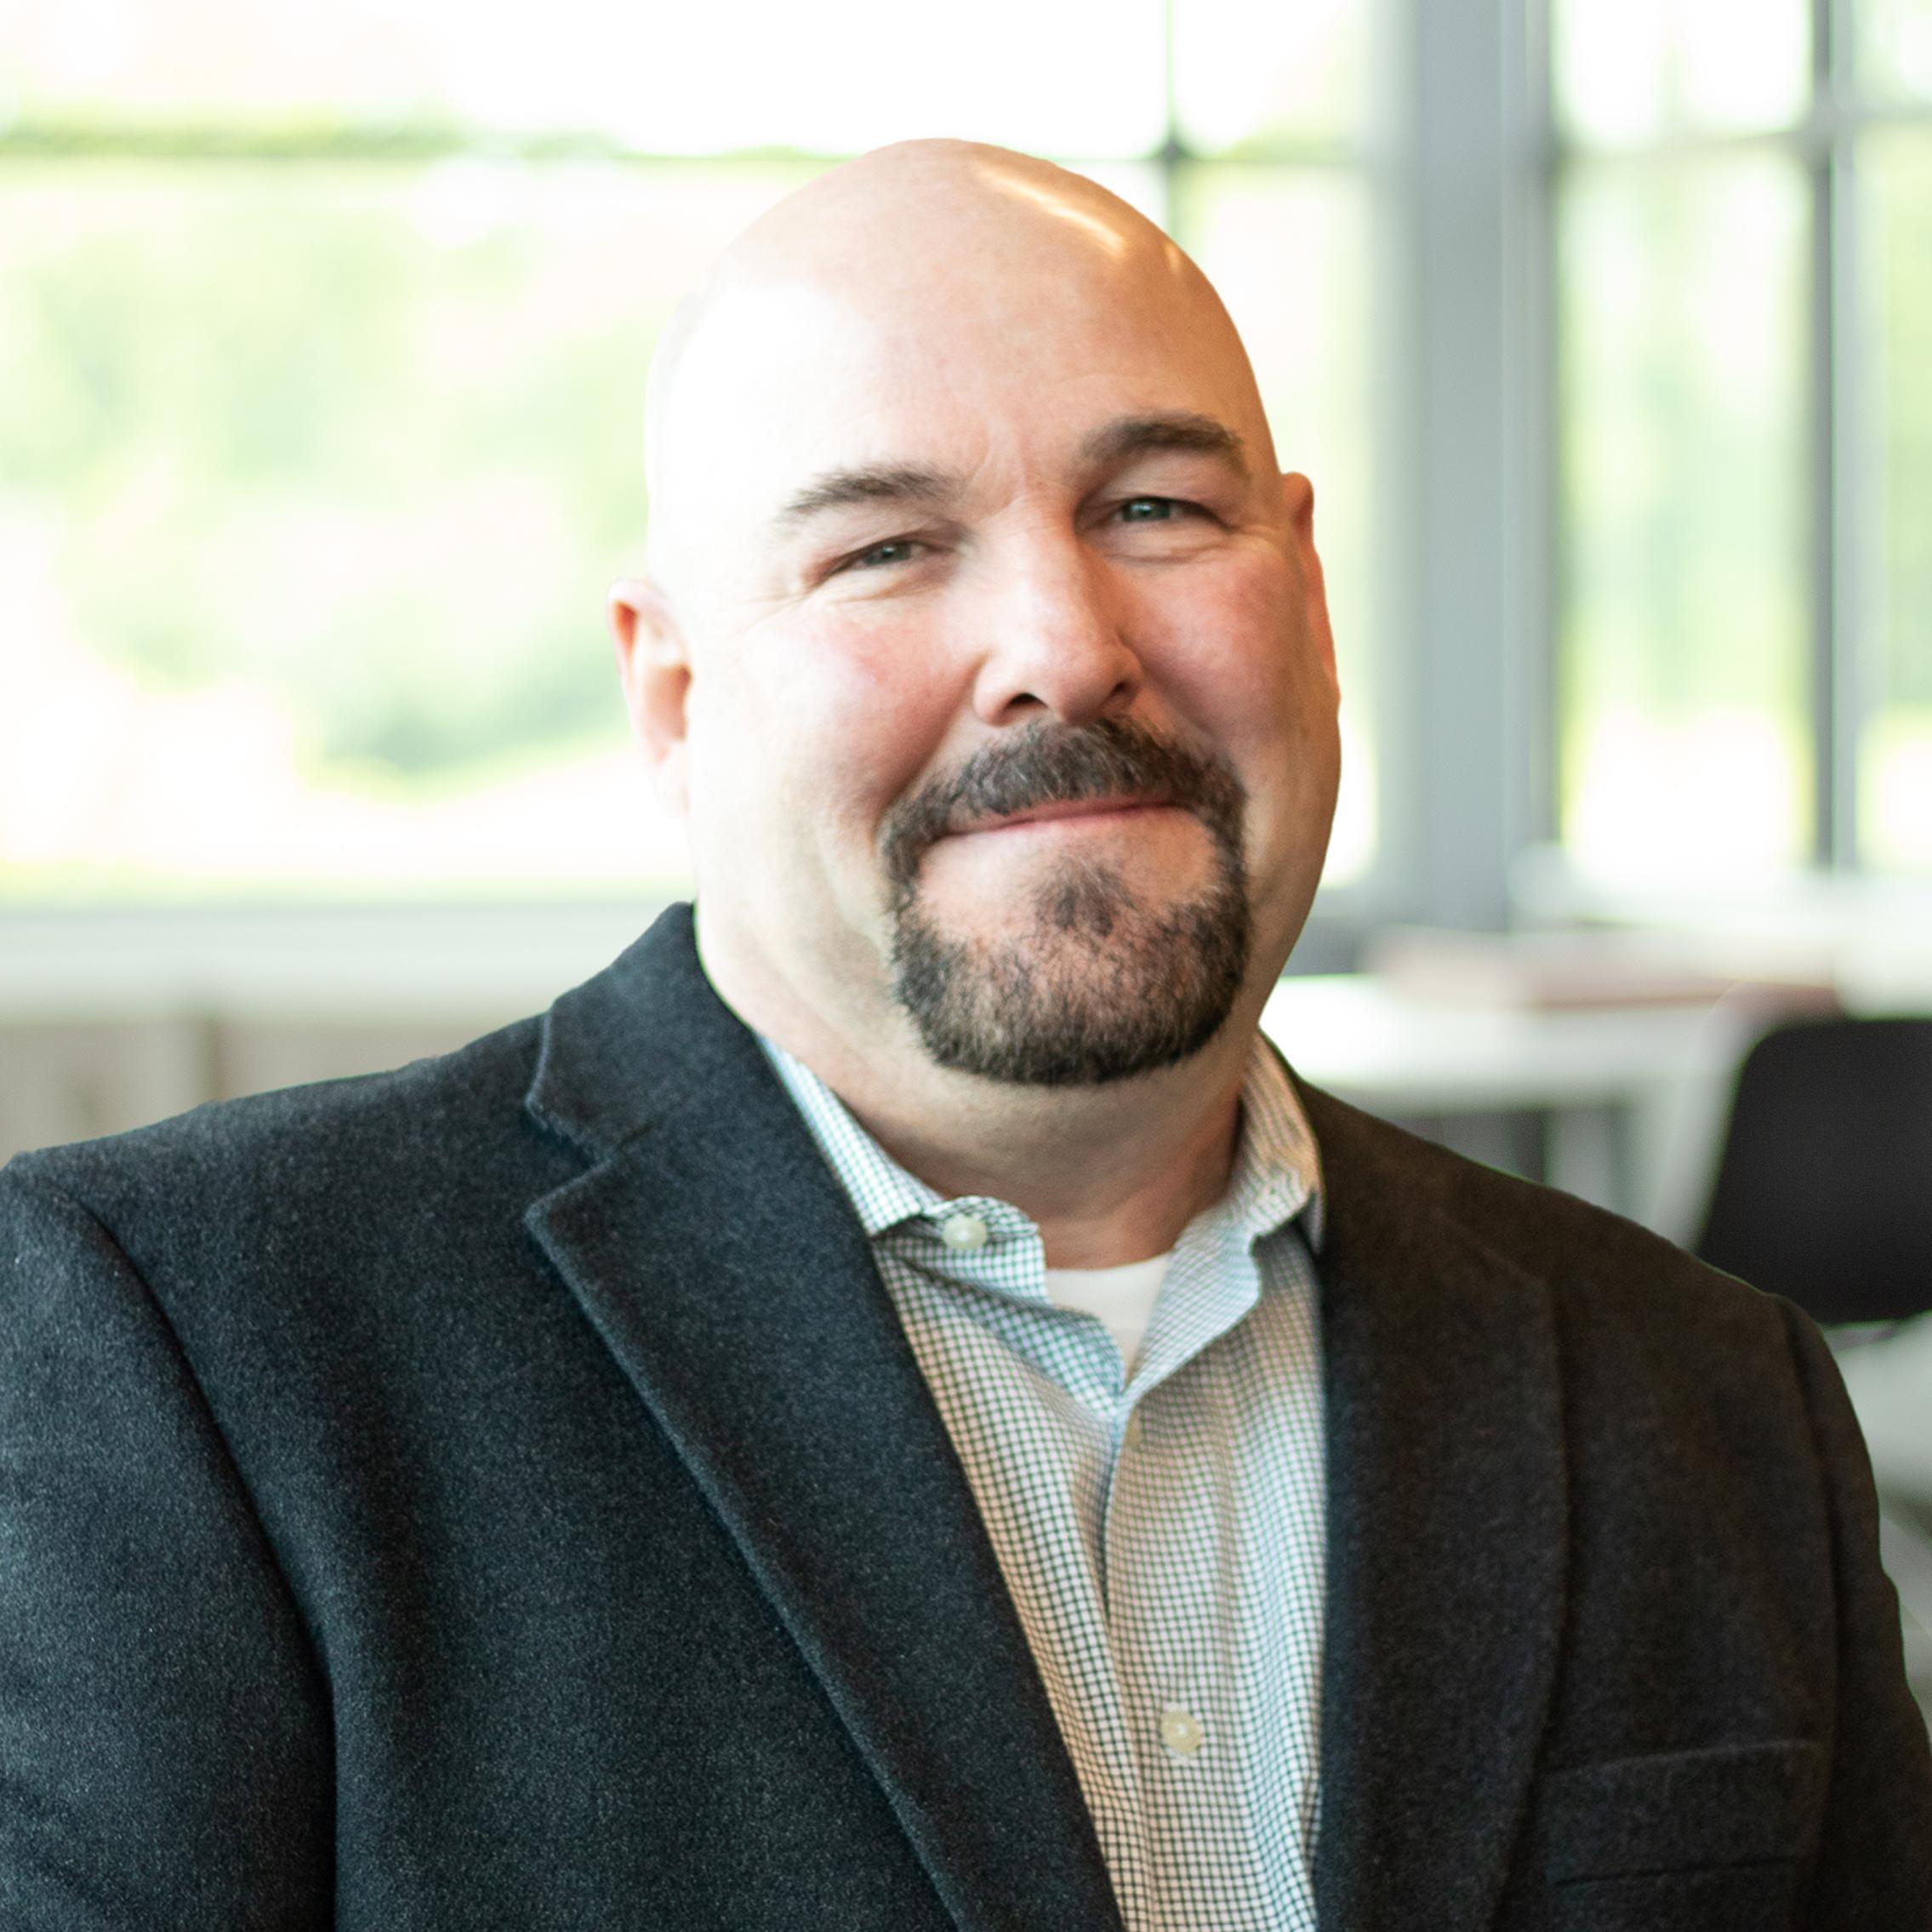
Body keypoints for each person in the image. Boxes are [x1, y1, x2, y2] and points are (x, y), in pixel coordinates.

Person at [1, 140, 1926, 1932]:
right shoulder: (191, 1351)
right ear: (674, 697)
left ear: (1307, 590)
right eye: (886, 548)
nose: (1060, 642)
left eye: (1155, 507)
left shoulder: (1708, 1391)